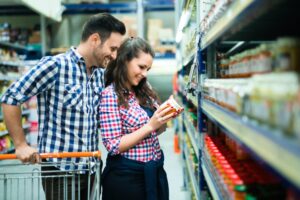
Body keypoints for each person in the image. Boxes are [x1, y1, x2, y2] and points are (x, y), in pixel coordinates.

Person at [1, 13, 126, 199]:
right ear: (95, 39)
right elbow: (11, 97)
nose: (114, 55)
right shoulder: (56, 66)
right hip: (61, 172)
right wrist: (20, 144)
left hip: (91, 169)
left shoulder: (100, 75)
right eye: (112, 48)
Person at [99, 37, 183, 200]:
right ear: (124, 61)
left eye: (148, 69)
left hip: (154, 173)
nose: (144, 74)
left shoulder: (145, 89)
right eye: (141, 67)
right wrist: (150, 126)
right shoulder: (110, 95)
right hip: (127, 181)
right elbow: (113, 145)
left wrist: (164, 117)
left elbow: (155, 132)